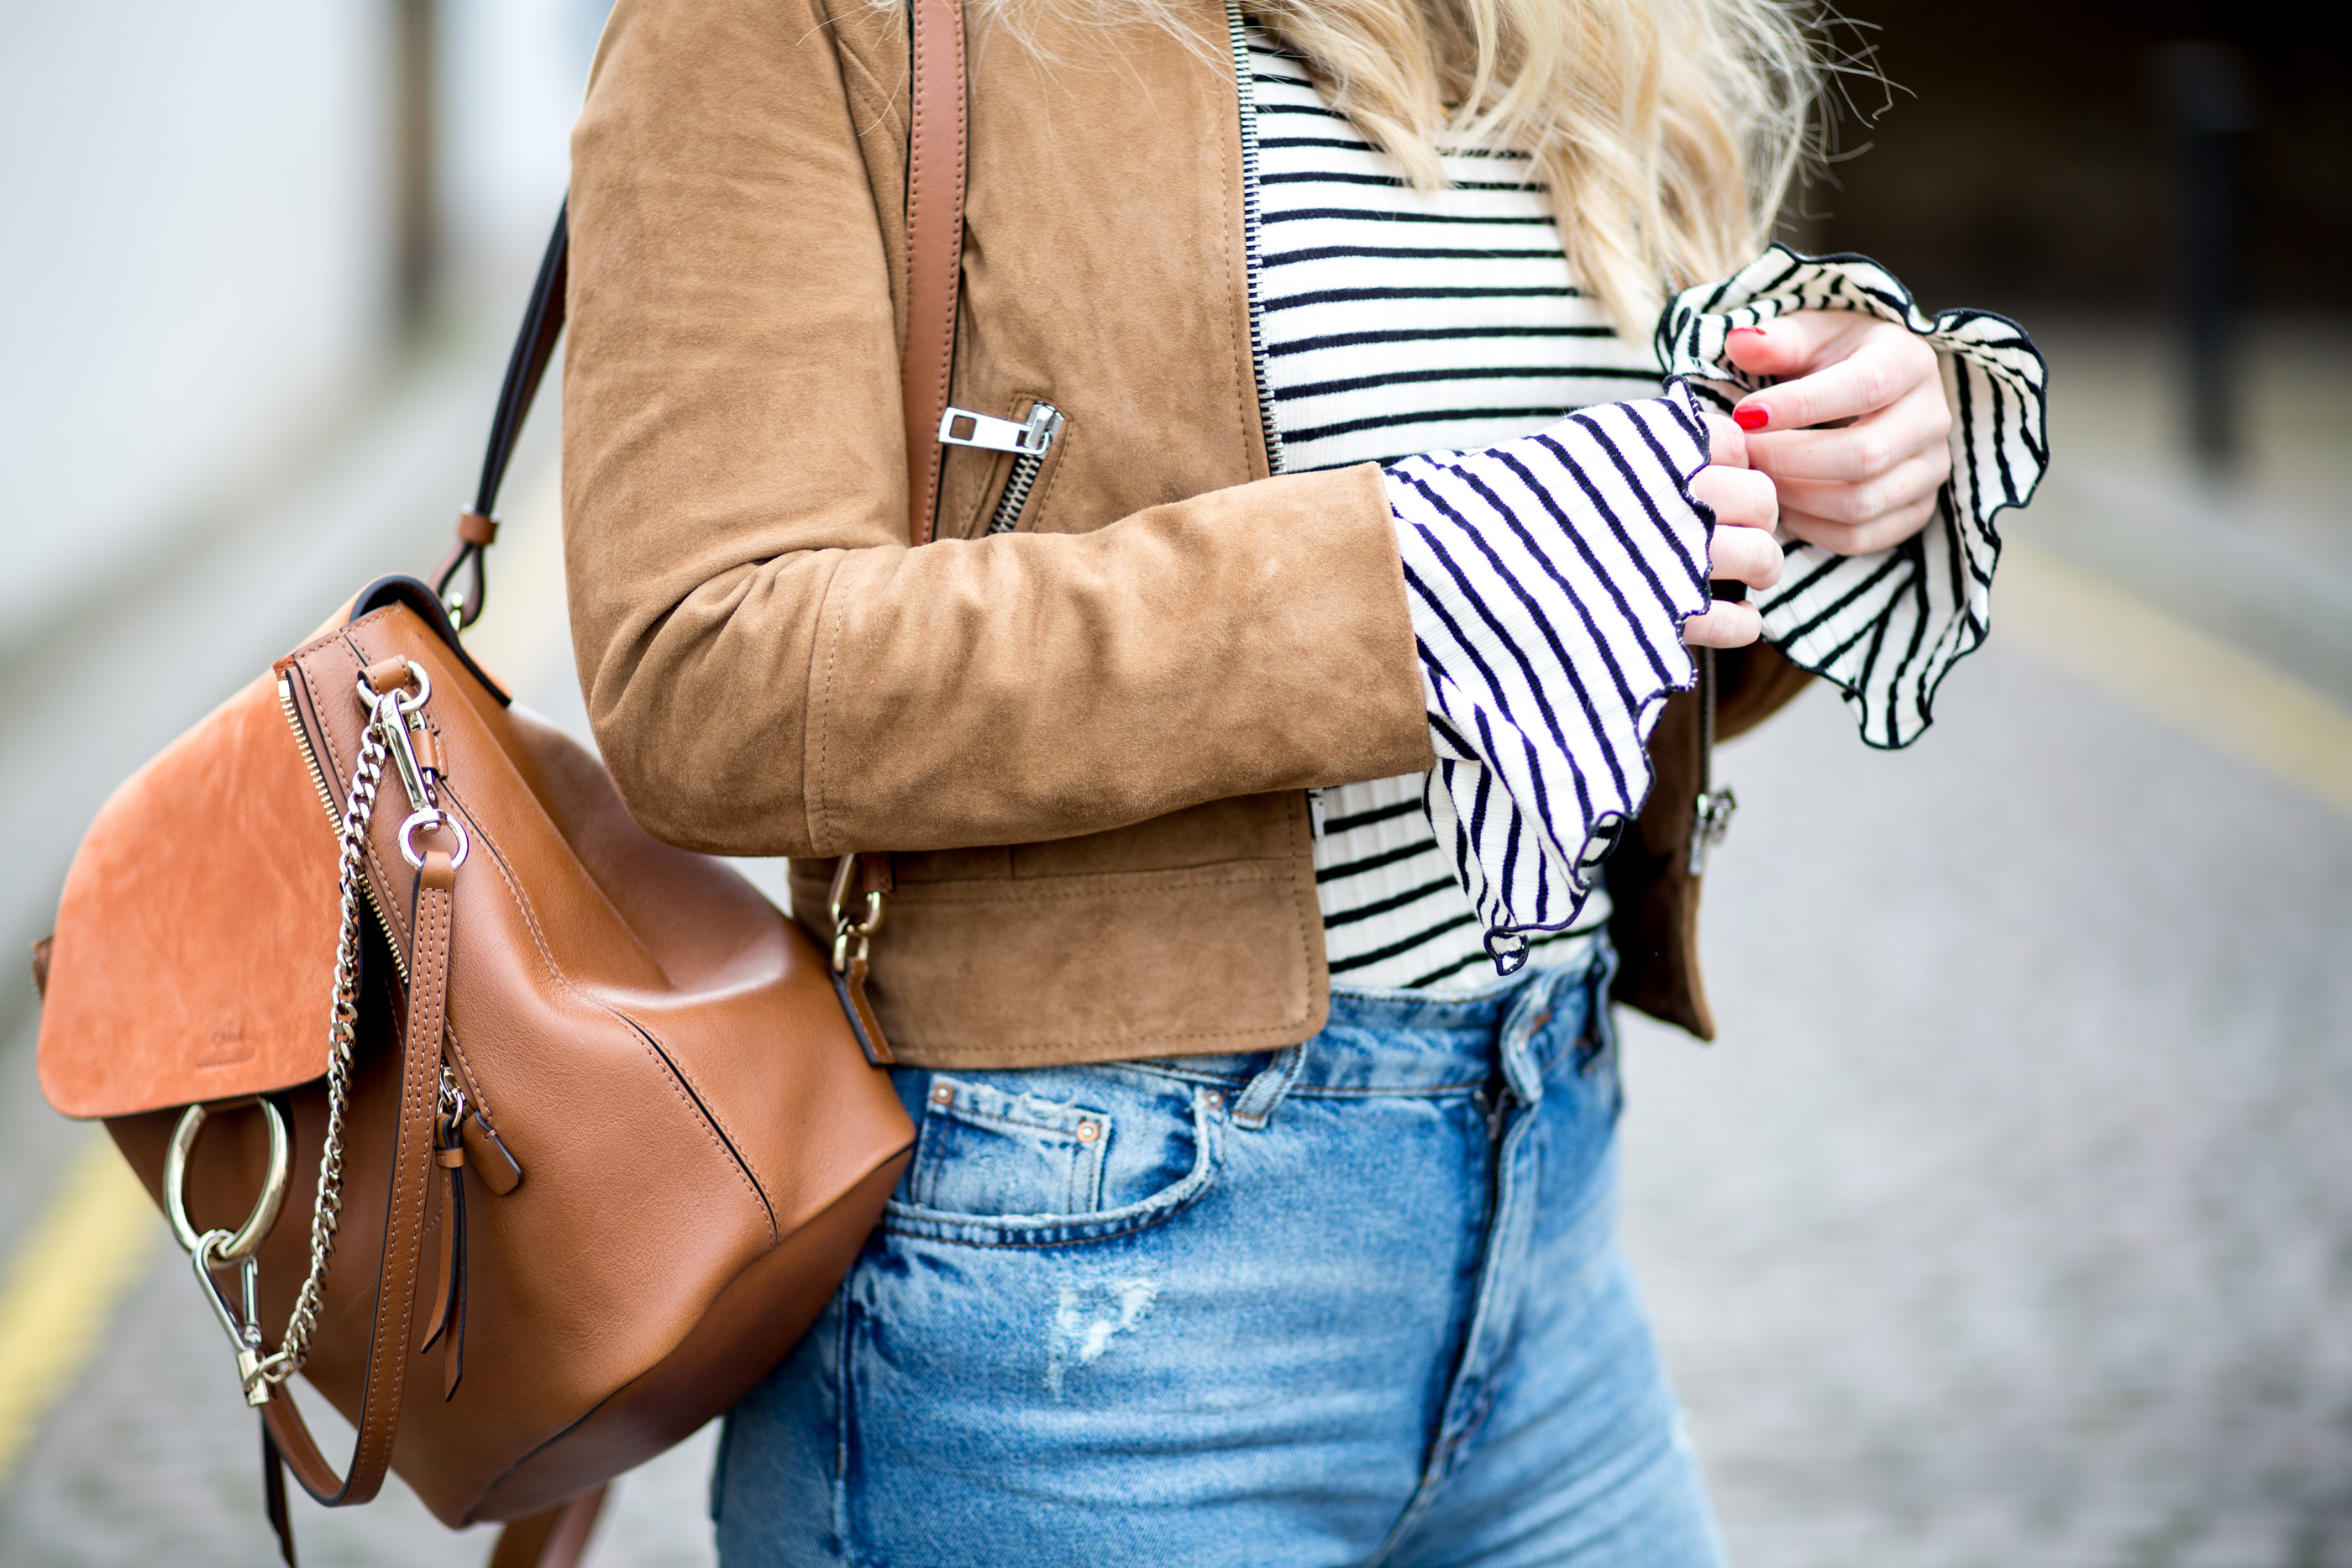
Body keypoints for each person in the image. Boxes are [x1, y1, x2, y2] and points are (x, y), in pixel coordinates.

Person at [560, 0, 2045, 1561]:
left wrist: (1829, 464)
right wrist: (1387, 585)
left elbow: (1603, 646)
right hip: (1074, 1300)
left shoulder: (1597, 28)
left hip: (1546, 1223)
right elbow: (703, 670)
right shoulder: (814, 22)